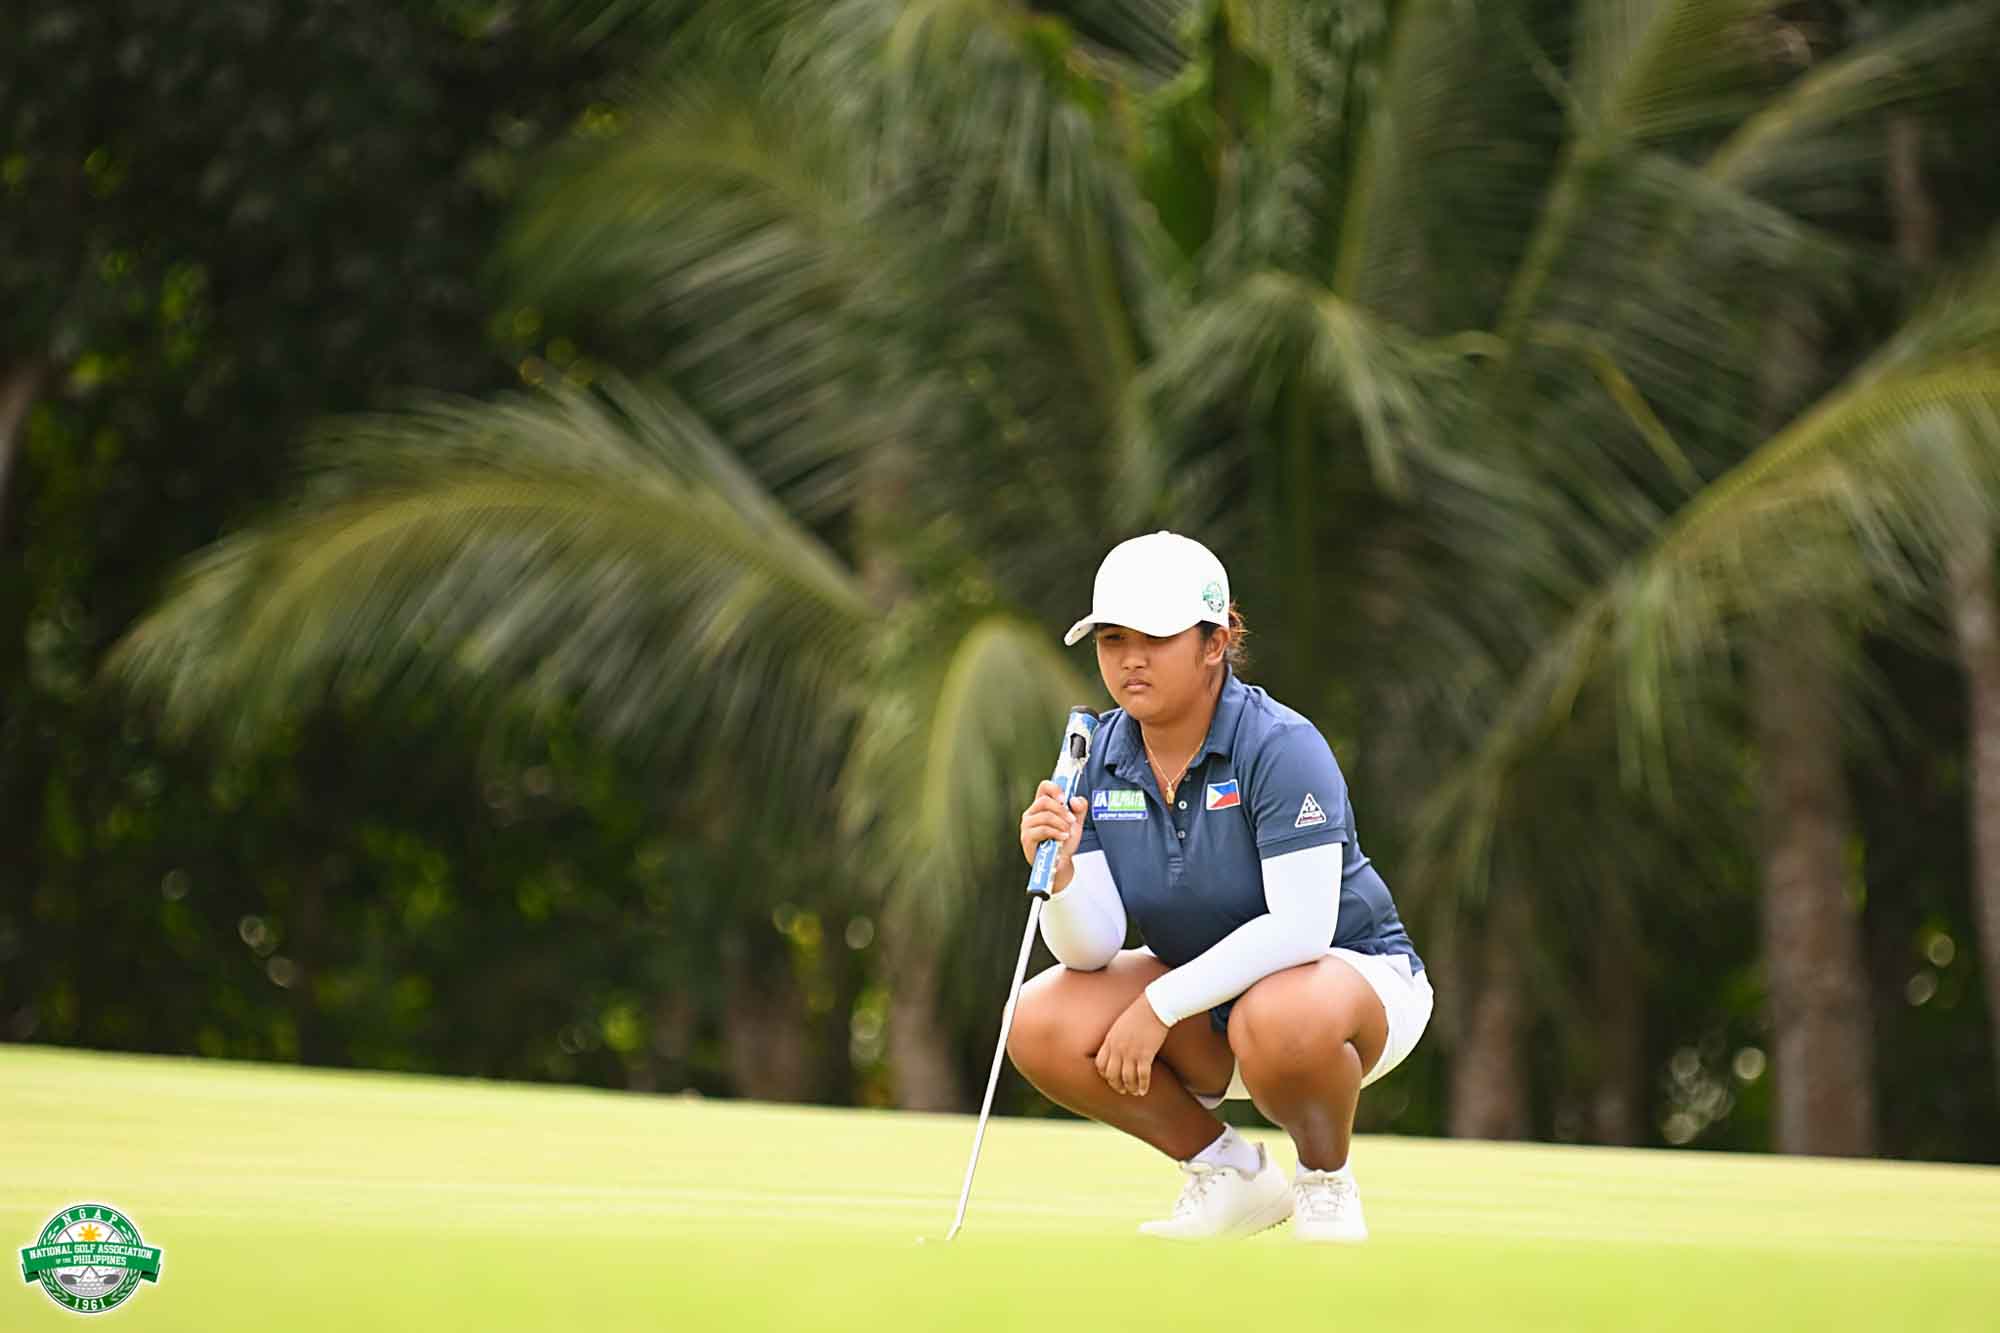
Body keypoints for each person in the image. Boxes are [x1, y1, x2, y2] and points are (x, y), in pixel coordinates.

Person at [1009, 531, 1432, 1243]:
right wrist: (1066, 875)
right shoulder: (1098, 756)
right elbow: (1091, 949)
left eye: (1156, 637)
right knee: (1037, 1020)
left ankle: (1325, 1182)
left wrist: (1158, 1005)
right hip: (1209, 1001)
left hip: (1347, 987)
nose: (1130, 658)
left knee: (1279, 1015)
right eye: (1112, 639)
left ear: (1216, 642)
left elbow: (1301, 929)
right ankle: (1229, 1173)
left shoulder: (1280, 745)